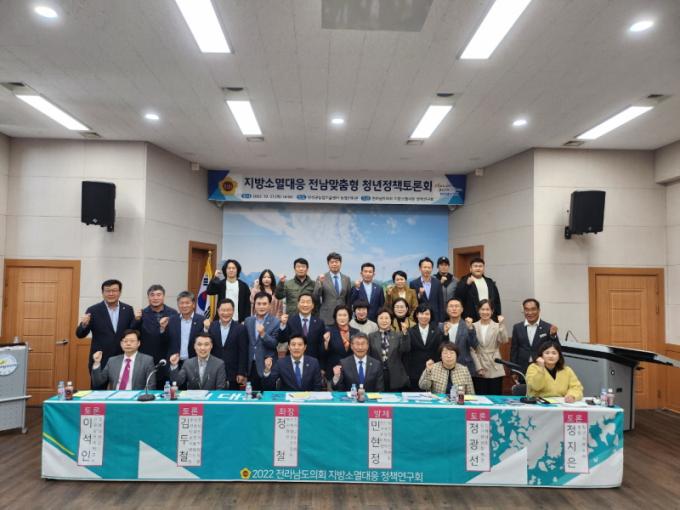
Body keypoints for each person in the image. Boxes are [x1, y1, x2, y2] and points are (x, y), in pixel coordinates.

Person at [76, 279, 141, 376]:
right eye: (107, 291)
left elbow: (131, 331)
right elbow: (80, 335)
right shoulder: (93, 310)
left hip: (122, 357)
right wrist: (83, 324)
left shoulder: (128, 309)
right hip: (100, 358)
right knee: (98, 385)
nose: (111, 293)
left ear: (120, 292)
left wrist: (137, 320)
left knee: (122, 385)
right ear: (102, 293)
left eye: (114, 290)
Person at [277, 292, 329, 368]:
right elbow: (282, 339)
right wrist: (282, 325)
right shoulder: (290, 321)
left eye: (308, 302)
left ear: (313, 305)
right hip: (293, 363)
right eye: (302, 302)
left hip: (313, 363)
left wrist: (322, 367)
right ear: (298, 304)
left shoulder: (319, 323)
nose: (305, 305)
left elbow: (320, 347)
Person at [91, 329, 155, 390]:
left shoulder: (147, 361)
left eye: (132, 341)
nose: (128, 343)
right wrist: (97, 363)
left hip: (136, 397)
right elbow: (97, 382)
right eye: (125, 341)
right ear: (121, 344)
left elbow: (151, 385)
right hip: (116, 396)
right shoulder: (112, 361)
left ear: (138, 343)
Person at [139, 284, 177, 388]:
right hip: (148, 358)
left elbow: (175, 335)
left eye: (159, 295)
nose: (155, 298)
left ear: (163, 296)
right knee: (148, 389)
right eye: (152, 295)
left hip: (167, 358)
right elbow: (135, 333)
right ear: (148, 297)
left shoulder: (173, 313)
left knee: (166, 391)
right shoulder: (142, 314)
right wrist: (136, 319)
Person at [511, 298, 560, 375]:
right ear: (524, 311)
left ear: (539, 310)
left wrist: (553, 336)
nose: (530, 313)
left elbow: (557, 348)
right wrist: (513, 370)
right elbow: (514, 350)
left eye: (533, 309)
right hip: (522, 368)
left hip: (542, 368)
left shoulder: (548, 327)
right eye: (527, 309)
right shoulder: (517, 327)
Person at [207, 298, 248, 389]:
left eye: (229, 310)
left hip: (233, 373)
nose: (226, 313)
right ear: (218, 311)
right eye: (223, 310)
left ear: (233, 311)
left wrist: (241, 372)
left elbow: (243, 352)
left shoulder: (240, 328)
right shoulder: (212, 326)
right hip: (214, 371)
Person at [470, 300, 508, 395]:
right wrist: (478, 367)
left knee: (495, 396)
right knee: (480, 397)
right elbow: (471, 349)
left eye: (488, 309)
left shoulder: (497, 325)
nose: (485, 312)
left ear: (492, 311)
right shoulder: (473, 326)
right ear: (478, 310)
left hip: (494, 364)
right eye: (482, 309)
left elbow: (504, 340)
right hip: (479, 365)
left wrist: (502, 324)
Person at [243, 292, 280, 391]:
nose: (261, 306)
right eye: (258, 304)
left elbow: (274, 344)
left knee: (268, 396)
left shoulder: (276, 322)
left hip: (266, 365)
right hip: (251, 365)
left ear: (269, 305)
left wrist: (263, 334)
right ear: (254, 305)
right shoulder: (248, 321)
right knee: (252, 396)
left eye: (264, 304)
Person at [368, 308, 411, 392]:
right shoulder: (371, 336)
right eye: (381, 318)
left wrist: (405, 334)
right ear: (377, 320)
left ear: (391, 320)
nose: (384, 321)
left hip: (395, 374)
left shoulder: (398, 335)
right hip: (377, 373)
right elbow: (369, 355)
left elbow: (406, 349)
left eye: (387, 318)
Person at [404, 303, 443, 390]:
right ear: (417, 315)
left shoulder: (437, 331)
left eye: (427, 314)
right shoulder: (410, 331)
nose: (424, 316)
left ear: (431, 316)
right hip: (414, 372)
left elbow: (440, 349)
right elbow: (407, 352)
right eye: (421, 313)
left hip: (433, 370)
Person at [439, 298, 478, 377]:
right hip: (445, 365)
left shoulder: (468, 325)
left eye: (457, 306)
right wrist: (445, 333)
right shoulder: (441, 326)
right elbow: (439, 346)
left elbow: (474, 345)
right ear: (447, 310)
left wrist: (470, 329)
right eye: (451, 306)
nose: (454, 309)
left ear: (462, 309)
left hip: (464, 366)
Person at [454, 257, 501, 322]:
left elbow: (497, 300)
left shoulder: (490, 282)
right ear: (470, 269)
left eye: (480, 266)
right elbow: (458, 298)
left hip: (489, 316)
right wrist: (467, 285)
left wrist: (499, 314)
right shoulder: (463, 281)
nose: (478, 268)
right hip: (471, 318)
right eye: (475, 266)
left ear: (483, 269)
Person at [166, 291, 206, 365]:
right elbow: (166, 340)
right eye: (181, 303)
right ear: (178, 305)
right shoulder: (172, 320)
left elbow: (205, 340)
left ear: (193, 304)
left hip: (195, 362)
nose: (184, 306)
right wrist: (162, 328)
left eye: (187, 303)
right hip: (175, 362)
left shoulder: (202, 320)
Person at [313, 252, 351, 326]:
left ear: (340, 263)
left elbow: (348, 299)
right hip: (327, 316)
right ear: (328, 264)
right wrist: (320, 283)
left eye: (336, 262)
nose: (334, 264)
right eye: (332, 262)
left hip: (342, 316)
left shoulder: (346, 279)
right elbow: (315, 296)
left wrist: (348, 314)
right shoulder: (321, 277)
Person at [207, 259, 250, 323]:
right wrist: (215, 278)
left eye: (233, 268)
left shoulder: (243, 286)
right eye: (229, 268)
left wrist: (245, 320)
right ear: (225, 270)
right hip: (221, 319)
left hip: (238, 320)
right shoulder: (221, 284)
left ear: (237, 270)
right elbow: (209, 291)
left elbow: (247, 305)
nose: (231, 270)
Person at [323, 305, 359, 376]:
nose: (342, 318)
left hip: (351, 371)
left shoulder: (356, 332)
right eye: (339, 315)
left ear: (349, 317)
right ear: (335, 317)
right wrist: (326, 343)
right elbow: (323, 354)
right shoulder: (328, 330)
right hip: (333, 370)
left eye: (345, 315)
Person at [410, 257, 445, 322]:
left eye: (429, 267)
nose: (427, 269)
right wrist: (419, 295)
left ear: (432, 269)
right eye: (425, 267)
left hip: (435, 318)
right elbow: (413, 303)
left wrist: (441, 320)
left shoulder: (437, 283)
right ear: (420, 268)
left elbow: (441, 302)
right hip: (421, 317)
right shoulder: (413, 283)